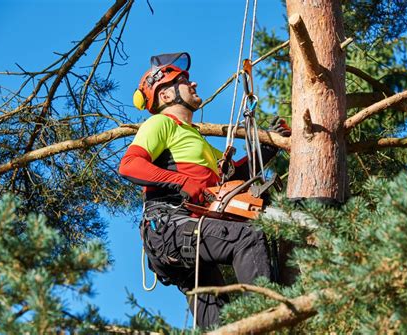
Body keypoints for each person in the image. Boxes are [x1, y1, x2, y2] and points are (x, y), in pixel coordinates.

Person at [119, 52, 290, 328]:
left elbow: (235, 176)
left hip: (186, 237)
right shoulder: (162, 123)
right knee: (247, 238)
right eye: (184, 81)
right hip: (169, 225)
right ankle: (270, 323)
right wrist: (181, 182)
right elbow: (129, 165)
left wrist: (269, 146)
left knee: (218, 323)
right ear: (165, 96)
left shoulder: (197, 141)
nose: (194, 84)